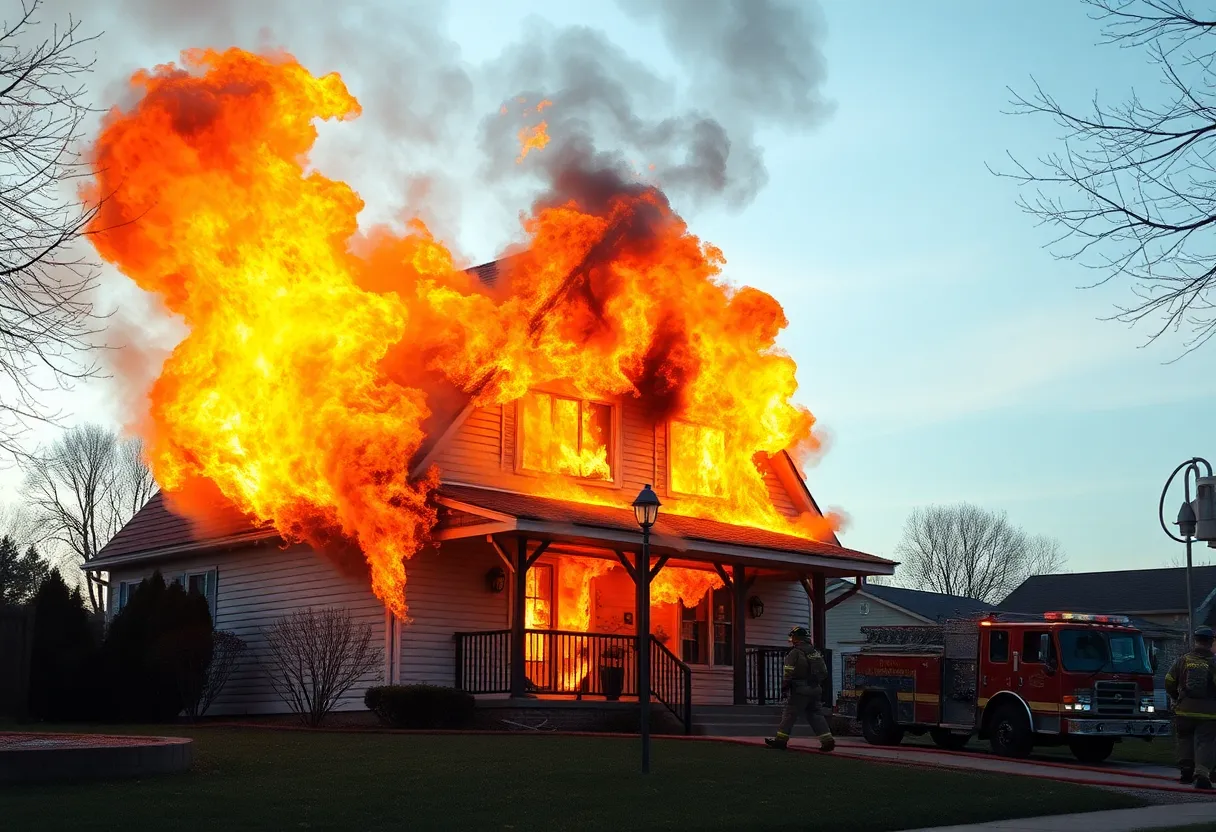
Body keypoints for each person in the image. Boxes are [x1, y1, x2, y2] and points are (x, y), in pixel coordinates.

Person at [765, 626, 835, 752]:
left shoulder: (795, 652)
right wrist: (815, 682)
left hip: (799, 690)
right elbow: (824, 672)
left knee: (789, 715)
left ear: (796, 638)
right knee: (816, 715)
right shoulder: (814, 652)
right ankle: (828, 741)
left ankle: (780, 741)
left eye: (792, 637)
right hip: (815, 689)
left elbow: (788, 672)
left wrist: (785, 686)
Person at [1165, 626, 1216, 788]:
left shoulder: (1183, 660)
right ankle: (1202, 775)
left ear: (1195, 640)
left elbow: (1169, 680)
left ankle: (1186, 771)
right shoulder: (1214, 662)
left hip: (1184, 710)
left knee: (1184, 739)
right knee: (1205, 742)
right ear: (1211, 642)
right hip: (1209, 713)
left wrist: (1176, 696)